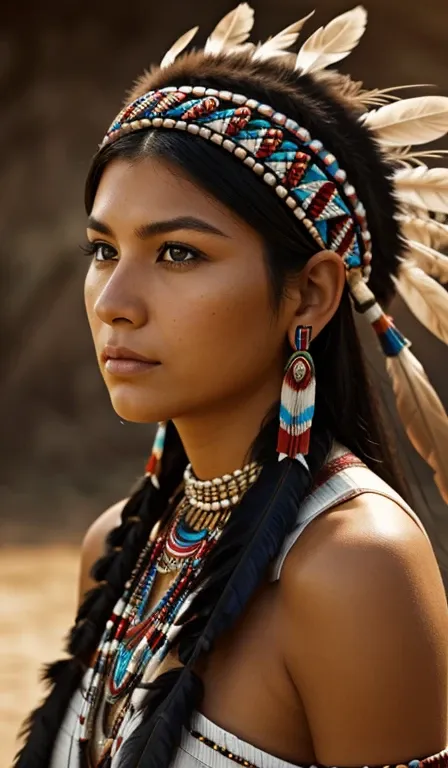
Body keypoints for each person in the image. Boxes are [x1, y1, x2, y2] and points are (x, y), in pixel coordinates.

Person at [14, 5, 448, 768]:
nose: (115, 300)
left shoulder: (356, 567)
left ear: (310, 294)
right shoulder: (116, 551)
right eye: (101, 248)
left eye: (178, 253)